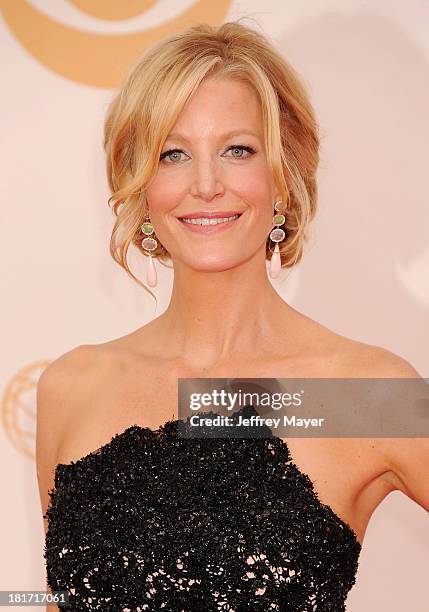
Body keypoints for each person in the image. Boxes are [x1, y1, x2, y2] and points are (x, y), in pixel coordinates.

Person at [36, 20, 428, 611]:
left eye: (237, 150)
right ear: (141, 187)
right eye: (173, 154)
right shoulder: (73, 387)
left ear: (284, 176)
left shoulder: (364, 394)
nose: (206, 184)